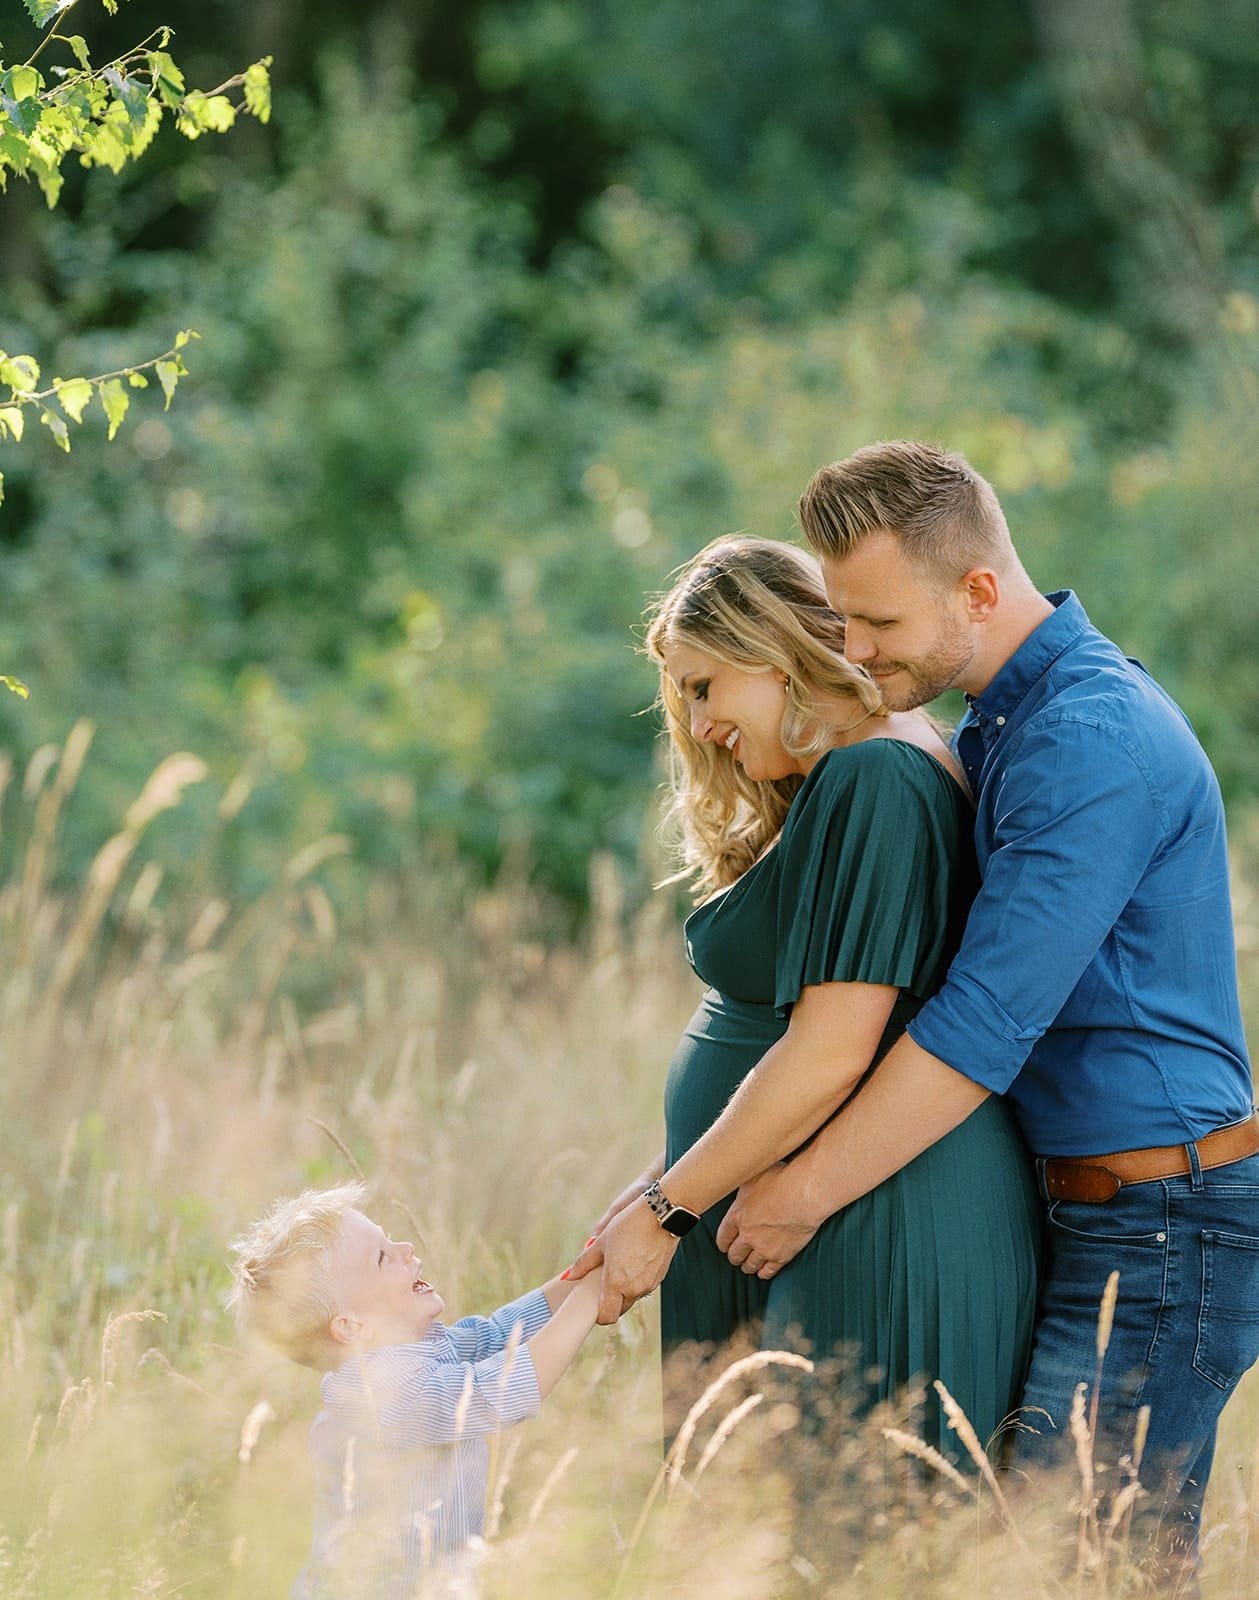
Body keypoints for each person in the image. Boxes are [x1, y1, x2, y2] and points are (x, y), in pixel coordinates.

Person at [717, 440, 1258, 1570]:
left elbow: (978, 1027)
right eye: (839, 624)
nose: (854, 652)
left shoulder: (1084, 735)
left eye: (876, 626)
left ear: (975, 589)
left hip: (1162, 1226)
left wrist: (798, 1194)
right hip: (1099, 1214)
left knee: (1085, 1569)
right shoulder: (1004, 723)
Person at [569, 537, 1041, 1457]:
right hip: (806, 1205)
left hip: (875, 1215)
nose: (698, 723)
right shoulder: (852, 778)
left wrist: (668, 1212)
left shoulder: (876, 777)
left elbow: (831, 1049)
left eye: (704, 687)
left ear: (773, 648)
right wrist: (677, 1181)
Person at [228, 1181, 602, 1599]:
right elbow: (497, 1391)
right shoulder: (385, 1397)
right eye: (382, 1257)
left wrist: (587, 1273)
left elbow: (499, 1336)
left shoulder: (415, 1352)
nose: (405, 1247)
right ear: (352, 1326)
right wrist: (592, 1294)